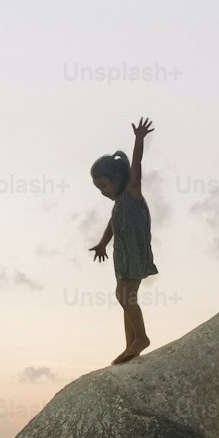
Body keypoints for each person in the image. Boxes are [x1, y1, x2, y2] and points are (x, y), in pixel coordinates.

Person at [89, 116, 157, 364]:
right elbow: (112, 224)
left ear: (118, 178)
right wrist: (102, 243)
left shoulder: (132, 190)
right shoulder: (118, 204)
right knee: (126, 298)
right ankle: (132, 345)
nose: (102, 192)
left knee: (124, 296)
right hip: (122, 254)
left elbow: (137, 162)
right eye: (98, 189)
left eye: (104, 186)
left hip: (135, 253)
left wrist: (138, 139)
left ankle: (141, 338)